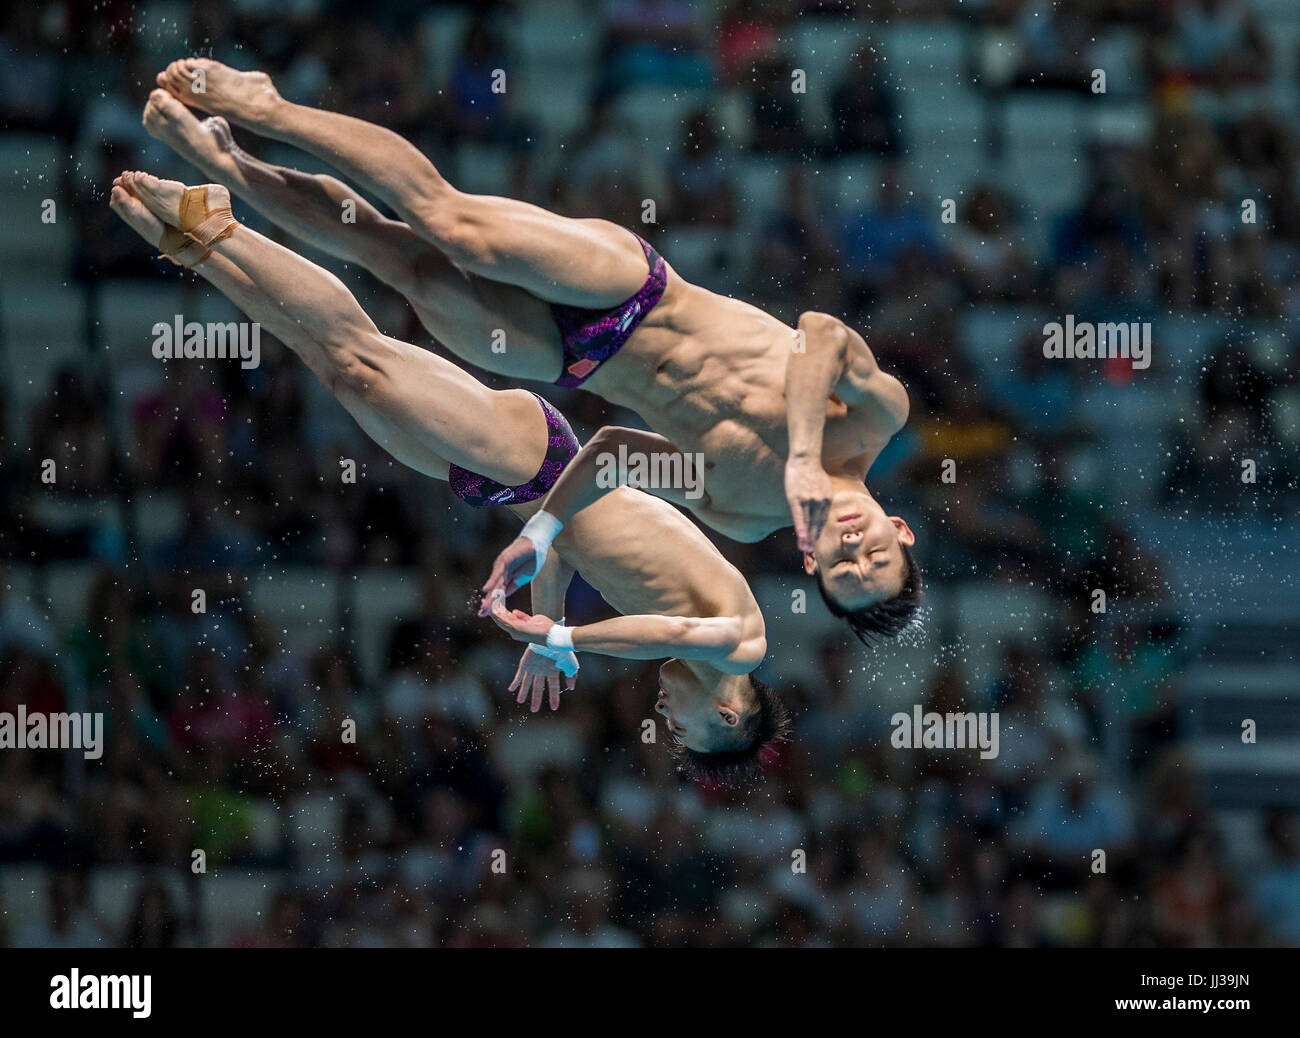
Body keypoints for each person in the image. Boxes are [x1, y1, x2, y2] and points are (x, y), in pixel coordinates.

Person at [146, 59, 922, 643]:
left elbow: (617, 454)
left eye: (844, 574)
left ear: (814, 569)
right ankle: (268, 106)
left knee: (402, 265)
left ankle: (232, 169)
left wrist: (541, 533)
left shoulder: (748, 515)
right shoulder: (874, 421)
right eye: (878, 557)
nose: (855, 552)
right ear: (901, 531)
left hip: (568, 359)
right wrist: (804, 456)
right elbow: (822, 331)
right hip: (635, 291)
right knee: (450, 227)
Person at [107, 171, 785, 784]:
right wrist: (561, 639)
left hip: (510, 486)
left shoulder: (703, 631)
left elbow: (578, 541)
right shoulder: (740, 647)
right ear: (729, 718)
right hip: (532, 457)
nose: (664, 715)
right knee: (360, 356)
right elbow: (665, 637)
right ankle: (214, 219)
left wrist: (547, 615)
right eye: (679, 728)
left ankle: (198, 247)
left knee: (341, 372)